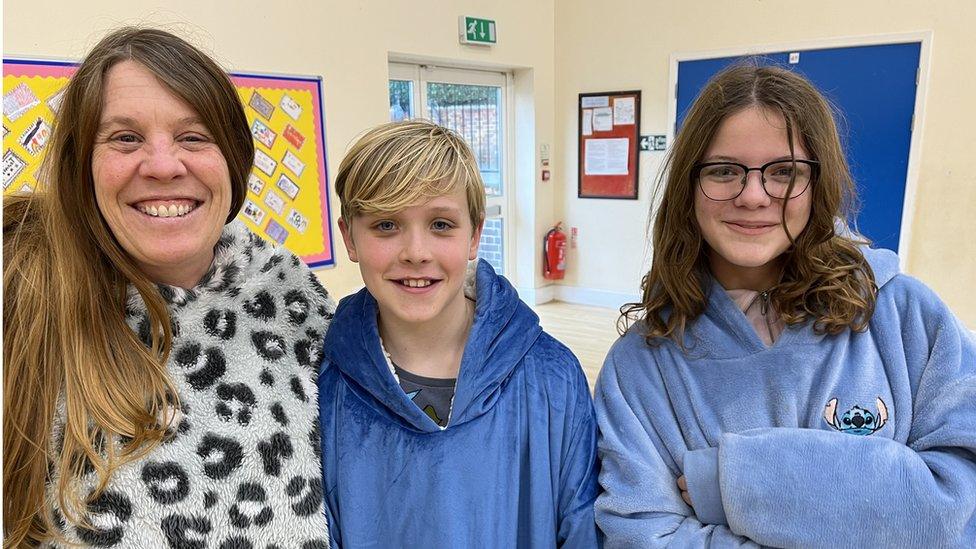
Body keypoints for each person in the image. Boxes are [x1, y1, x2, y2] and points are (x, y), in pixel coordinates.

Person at [595, 64, 976, 548]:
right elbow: (643, 536)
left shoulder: (906, 318)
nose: (753, 196)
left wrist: (737, 482)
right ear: (688, 188)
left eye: (784, 172)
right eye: (724, 170)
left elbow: (959, 508)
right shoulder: (641, 366)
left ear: (818, 185)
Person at [3, 28, 334, 548]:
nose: (162, 166)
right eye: (125, 138)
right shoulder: (23, 299)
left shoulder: (294, 302)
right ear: (81, 166)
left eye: (193, 137)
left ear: (232, 159)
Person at [317, 120, 600, 547]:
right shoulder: (319, 385)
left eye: (441, 225)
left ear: (475, 236)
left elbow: (580, 529)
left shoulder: (552, 379)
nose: (416, 252)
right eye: (386, 226)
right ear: (349, 237)